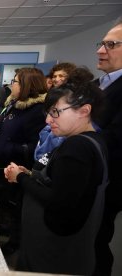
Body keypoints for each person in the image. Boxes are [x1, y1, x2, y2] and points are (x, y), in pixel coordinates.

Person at [4, 67, 107, 275]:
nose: (48, 121)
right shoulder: (92, 141)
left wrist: (21, 177)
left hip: (54, 250)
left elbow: (58, 201)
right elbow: (66, 185)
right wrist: (34, 175)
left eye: (55, 113)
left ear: (84, 111)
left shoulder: (77, 148)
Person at [0, 68, 47, 255]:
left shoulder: (36, 111)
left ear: (27, 85)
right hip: (0, 161)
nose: (12, 84)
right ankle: (3, 227)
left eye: (15, 81)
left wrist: (9, 147)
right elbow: (8, 124)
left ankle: (14, 242)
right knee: (2, 200)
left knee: (14, 205)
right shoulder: (12, 103)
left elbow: (35, 145)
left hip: (16, 166)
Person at [94, 16, 122, 276]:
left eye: (111, 45)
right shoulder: (96, 85)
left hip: (105, 182)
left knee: (97, 240)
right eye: (102, 43)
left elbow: (113, 140)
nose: (100, 51)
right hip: (78, 172)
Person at [33, 63, 75, 161]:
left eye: (61, 76)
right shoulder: (50, 94)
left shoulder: (74, 95)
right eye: (54, 76)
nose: (56, 79)